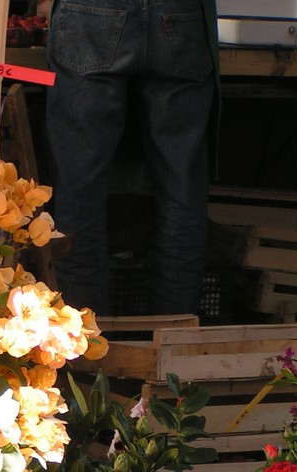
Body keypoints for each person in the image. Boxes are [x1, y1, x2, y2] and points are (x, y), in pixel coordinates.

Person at [44, 0, 219, 317]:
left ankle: (82, 349)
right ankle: (172, 345)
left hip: (91, 13)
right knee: (182, 193)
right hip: (179, 13)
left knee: (80, 191)